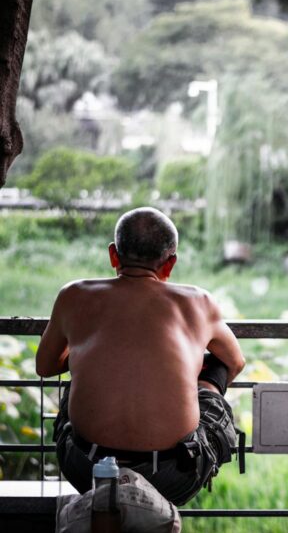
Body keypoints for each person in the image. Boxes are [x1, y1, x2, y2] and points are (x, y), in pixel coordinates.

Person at [36, 207, 246, 505]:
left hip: (88, 469)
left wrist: (95, 360)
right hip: (173, 475)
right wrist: (201, 381)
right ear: (170, 263)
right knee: (215, 372)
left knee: (76, 383)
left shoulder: (74, 294)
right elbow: (235, 362)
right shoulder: (198, 301)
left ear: (113, 255)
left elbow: (45, 366)